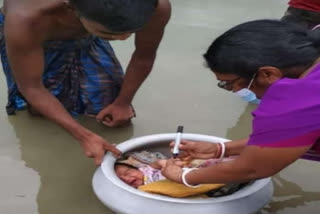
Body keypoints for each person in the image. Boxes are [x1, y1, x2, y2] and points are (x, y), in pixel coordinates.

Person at [0, 0, 171, 165]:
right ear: (71, 8)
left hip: (88, 35)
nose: (124, 38)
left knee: (108, 108)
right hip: (38, 37)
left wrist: (123, 102)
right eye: (110, 35)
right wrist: (83, 136)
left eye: (132, 31)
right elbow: (32, 87)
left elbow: (144, 56)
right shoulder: (26, 19)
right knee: (39, 112)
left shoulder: (154, 6)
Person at [161, 20, 320, 187]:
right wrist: (220, 150)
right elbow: (282, 138)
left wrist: (183, 176)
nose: (235, 91)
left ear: (267, 74)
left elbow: (253, 168)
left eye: (230, 83)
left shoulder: (295, 100)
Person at [115, 150, 234, 188]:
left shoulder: (146, 170)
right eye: (121, 180)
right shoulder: (143, 190)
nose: (126, 178)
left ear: (137, 169)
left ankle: (233, 160)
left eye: (127, 172)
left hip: (185, 171)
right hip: (183, 184)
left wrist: (174, 164)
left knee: (205, 164)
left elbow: (161, 162)